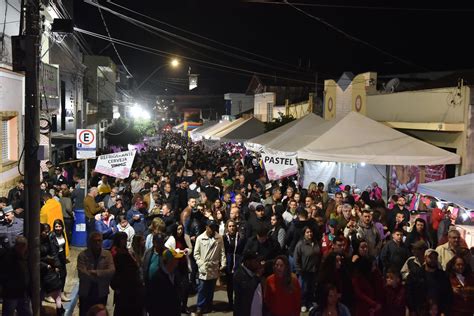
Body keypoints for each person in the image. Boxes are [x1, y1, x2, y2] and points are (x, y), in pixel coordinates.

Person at [77, 232, 115, 316]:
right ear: (90, 242)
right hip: (86, 292)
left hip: (101, 291)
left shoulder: (107, 255)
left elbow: (111, 271)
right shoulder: (82, 255)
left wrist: (96, 273)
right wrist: (102, 276)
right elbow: (82, 273)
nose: (97, 243)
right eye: (95, 241)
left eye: (99, 241)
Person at [406, 248, 453, 315]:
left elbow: (448, 294)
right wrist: (412, 309)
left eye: (435, 258)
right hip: (420, 311)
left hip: (438, 311)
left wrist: (445, 311)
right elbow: (409, 293)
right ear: (425, 258)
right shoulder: (415, 275)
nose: (433, 260)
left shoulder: (443, 276)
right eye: (431, 258)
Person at [193, 220, 226, 314]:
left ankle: (209, 304)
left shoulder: (219, 238)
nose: (212, 229)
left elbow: (222, 251)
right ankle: (200, 306)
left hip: (214, 266)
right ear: (206, 227)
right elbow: (196, 254)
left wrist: (223, 263)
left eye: (214, 227)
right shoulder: (200, 238)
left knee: (211, 288)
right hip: (204, 266)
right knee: (202, 287)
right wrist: (200, 264)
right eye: (210, 227)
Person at [110, 233, 144, 316]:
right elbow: (114, 271)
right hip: (122, 288)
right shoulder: (115, 252)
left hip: (131, 287)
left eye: (125, 239)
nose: (125, 241)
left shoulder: (126, 251)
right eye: (123, 239)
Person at [0, 236, 32, 316]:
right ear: (18, 246)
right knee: (9, 313)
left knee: (25, 313)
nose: (24, 249)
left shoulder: (24, 256)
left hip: (22, 293)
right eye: (22, 247)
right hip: (11, 294)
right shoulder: (8, 257)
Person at [164, 224, 193, 314]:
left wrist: (186, 251)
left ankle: (184, 306)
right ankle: (176, 306)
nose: (180, 231)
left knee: (186, 287)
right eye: (178, 229)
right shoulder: (172, 239)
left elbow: (190, 248)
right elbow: (167, 250)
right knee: (176, 288)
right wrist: (176, 252)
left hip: (184, 265)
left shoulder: (186, 237)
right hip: (175, 266)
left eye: (181, 229)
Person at [147, 248, 184, 316]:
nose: (178, 261)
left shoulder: (176, 274)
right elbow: (152, 302)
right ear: (170, 260)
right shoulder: (157, 278)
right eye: (176, 259)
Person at [294, 226, 321, 312]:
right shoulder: (300, 244)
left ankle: (310, 303)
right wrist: (299, 270)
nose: (310, 234)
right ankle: (303, 303)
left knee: (312, 288)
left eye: (311, 232)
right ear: (304, 233)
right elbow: (296, 258)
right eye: (307, 232)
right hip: (304, 271)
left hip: (314, 270)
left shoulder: (316, 242)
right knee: (304, 289)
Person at [39, 223, 64, 315]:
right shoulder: (36, 241)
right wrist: (45, 264)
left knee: (56, 288)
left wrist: (56, 265)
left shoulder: (48, 239)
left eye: (47, 231)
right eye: (44, 231)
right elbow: (35, 257)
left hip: (49, 268)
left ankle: (59, 308)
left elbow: (53, 252)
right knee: (40, 292)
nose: (46, 233)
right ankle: (40, 309)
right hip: (41, 268)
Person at [223, 219, 246, 310]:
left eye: (233, 226)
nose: (232, 228)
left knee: (238, 285)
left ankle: (238, 303)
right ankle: (230, 303)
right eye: (230, 226)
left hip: (238, 262)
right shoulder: (224, 238)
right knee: (229, 285)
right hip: (229, 264)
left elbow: (244, 250)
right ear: (227, 227)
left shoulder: (241, 237)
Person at [233, 251, 264, 316]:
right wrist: (257, 276)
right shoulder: (239, 275)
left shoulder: (253, 273)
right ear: (247, 262)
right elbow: (248, 290)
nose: (258, 264)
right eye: (255, 261)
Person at [49, 219, 70, 302]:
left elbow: (63, 248)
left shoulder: (62, 234)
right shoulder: (52, 235)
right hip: (55, 258)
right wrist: (56, 264)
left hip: (61, 257)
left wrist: (64, 259)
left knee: (63, 275)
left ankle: (61, 293)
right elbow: (53, 251)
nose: (58, 228)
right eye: (56, 226)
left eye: (59, 226)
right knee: (55, 278)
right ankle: (51, 295)